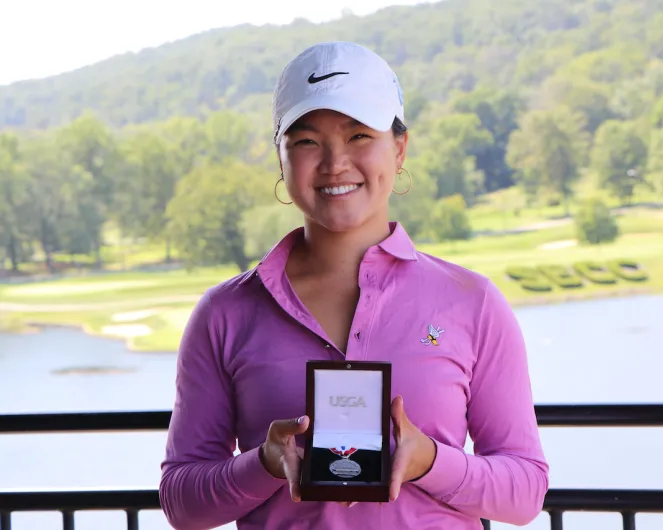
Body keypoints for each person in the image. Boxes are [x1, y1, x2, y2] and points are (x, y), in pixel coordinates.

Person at [159, 41, 549, 530]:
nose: (333, 163)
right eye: (305, 141)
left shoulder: (471, 301)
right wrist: (262, 464)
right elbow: (181, 502)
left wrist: (430, 460)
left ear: (400, 148)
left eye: (359, 135)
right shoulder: (225, 313)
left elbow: (525, 492)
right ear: (281, 160)